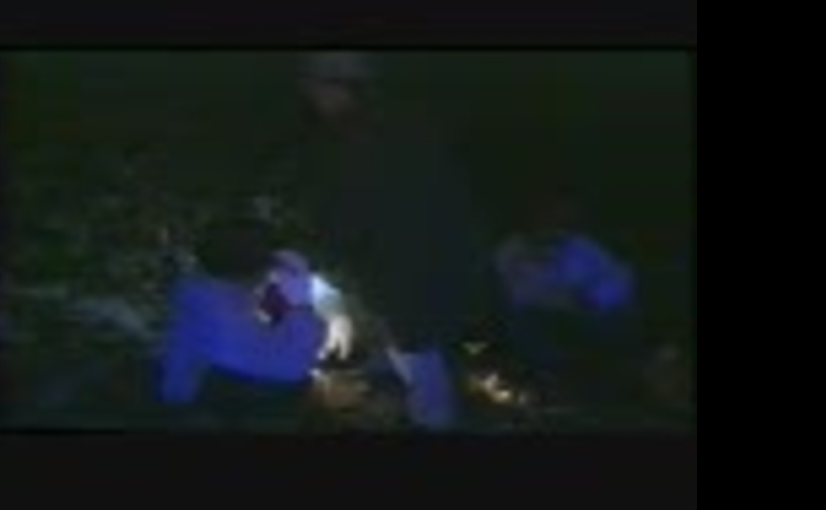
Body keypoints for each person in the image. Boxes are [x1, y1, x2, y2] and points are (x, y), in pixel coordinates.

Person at [254, 52, 499, 431]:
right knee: (407, 345)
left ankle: (431, 417)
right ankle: (402, 401)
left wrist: (315, 250)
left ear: (342, 89)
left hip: (407, 266)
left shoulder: (365, 139)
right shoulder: (382, 129)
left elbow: (357, 213)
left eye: (316, 87)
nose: (311, 96)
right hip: (408, 263)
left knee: (417, 352)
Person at [158, 214, 327, 431]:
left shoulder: (193, 295)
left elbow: (178, 371)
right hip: (273, 402)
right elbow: (301, 343)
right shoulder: (283, 304)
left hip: (217, 404)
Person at [492, 190, 639, 411]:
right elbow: (512, 294)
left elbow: (619, 281)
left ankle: (615, 387)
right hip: (539, 319)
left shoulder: (583, 247)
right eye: (544, 215)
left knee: (618, 319)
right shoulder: (510, 251)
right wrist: (553, 294)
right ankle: (555, 386)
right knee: (521, 323)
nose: (550, 223)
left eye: (557, 217)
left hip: (587, 317)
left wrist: (592, 300)